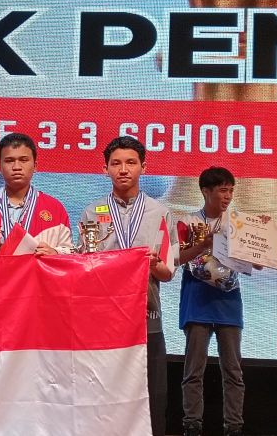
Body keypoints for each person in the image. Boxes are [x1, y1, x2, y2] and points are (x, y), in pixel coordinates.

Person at [79, 135, 177, 436]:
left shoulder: (161, 212)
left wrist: (152, 264)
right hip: (103, 322)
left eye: (131, 163)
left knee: (152, 399)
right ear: (105, 168)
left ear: (143, 167)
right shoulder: (92, 212)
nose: (123, 169)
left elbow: (168, 272)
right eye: (116, 163)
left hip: (146, 320)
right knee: (103, 400)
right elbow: (84, 266)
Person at [178, 167, 246, 436]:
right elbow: (176, 259)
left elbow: (255, 264)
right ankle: (192, 424)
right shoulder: (188, 222)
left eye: (231, 190)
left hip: (229, 302)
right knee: (193, 370)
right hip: (197, 300)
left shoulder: (240, 225)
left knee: (233, 371)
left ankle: (234, 426)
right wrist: (202, 245)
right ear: (205, 191)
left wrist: (260, 253)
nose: (228, 196)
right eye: (222, 190)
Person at [0, 132, 72, 255]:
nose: (16, 167)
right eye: (9, 161)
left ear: (35, 166)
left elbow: (70, 254)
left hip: (37, 269)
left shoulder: (55, 208)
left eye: (24, 160)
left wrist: (55, 253)